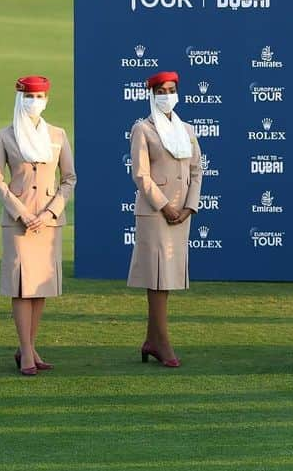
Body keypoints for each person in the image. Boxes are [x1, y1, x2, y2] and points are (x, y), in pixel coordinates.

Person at [0, 75, 77, 376]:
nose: (35, 102)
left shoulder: (58, 135)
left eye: (40, 97)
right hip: (19, 224)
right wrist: (20, 212)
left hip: (48, 224)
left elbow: (69, 179)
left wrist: (52, 212)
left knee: (40, 287)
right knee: (21, 286)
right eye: (30, 97)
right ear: (20, 98)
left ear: (47, 100)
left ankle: (29, 346)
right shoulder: (5, 136)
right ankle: (26, 351)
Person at [127, 70, 202, 368]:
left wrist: (189, 206)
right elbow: (141, 175)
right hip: (155, 213)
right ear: (152, 95)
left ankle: (150, 340)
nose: (166, 95)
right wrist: (164, 205)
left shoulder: (187, 129)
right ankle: (163, 342)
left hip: (181, 213)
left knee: (167, 278)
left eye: (171, 90)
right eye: (161, 91)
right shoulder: (143, 130)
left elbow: (197, 171)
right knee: (156, 278)